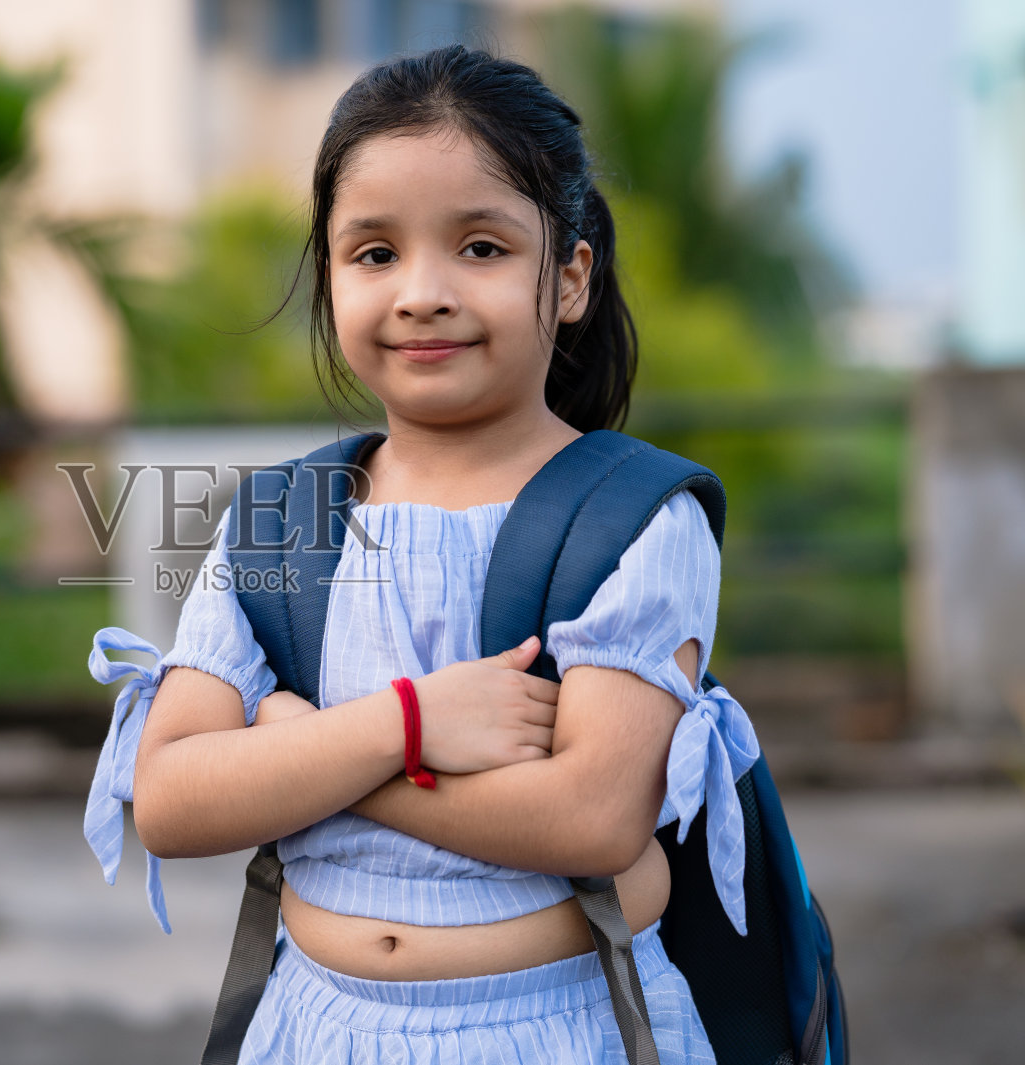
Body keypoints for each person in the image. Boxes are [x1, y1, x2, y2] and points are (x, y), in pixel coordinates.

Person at [83, 44, 760, 1064]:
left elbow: (590, 817)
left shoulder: (631, 518)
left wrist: (306, 749)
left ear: (569, 277)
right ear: (330, 277)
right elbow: (171, 798)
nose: (422, 292)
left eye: (481, 248)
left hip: (556, 1028)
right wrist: (411, 721)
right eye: (374, 253)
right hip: (313, 1029)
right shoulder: (279, 519)